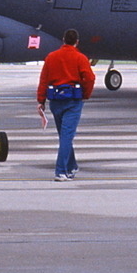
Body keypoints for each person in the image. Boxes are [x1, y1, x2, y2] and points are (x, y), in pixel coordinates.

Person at [37, 29, 95, 181]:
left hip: (55, 101)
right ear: (77, 41)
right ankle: (61, 171)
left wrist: (41, 100)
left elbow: (44, 79)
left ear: (63, 39)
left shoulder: (51, 57)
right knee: (67, 137)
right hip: (73, 101)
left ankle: (71, 166)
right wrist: (85, 94)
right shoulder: (80, 58)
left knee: (64, 136)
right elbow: (89, 78)